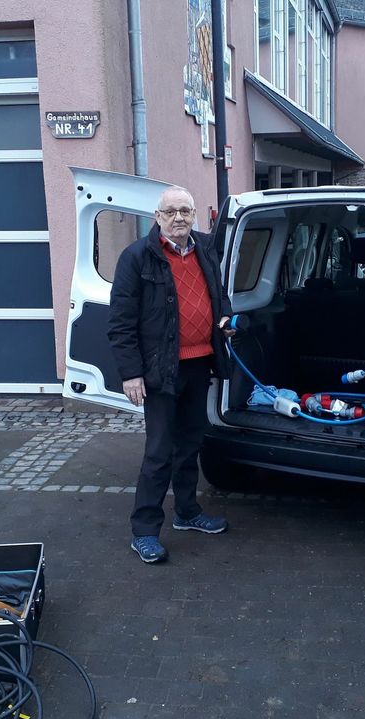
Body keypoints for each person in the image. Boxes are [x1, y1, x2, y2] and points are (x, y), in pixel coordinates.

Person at [108, 185, 233, 564]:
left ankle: (187, 512)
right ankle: (144, 531)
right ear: (157, 217)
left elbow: (218, 293)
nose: (179, 217)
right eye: (171, 211)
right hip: (160, 370)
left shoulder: (206, 248)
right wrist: (131, 374)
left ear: (195, 215)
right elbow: (121, 323)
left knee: (190, 443)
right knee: (159, 451)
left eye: (185, 211)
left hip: (199, 363)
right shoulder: (136, 257)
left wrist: (224, 317)